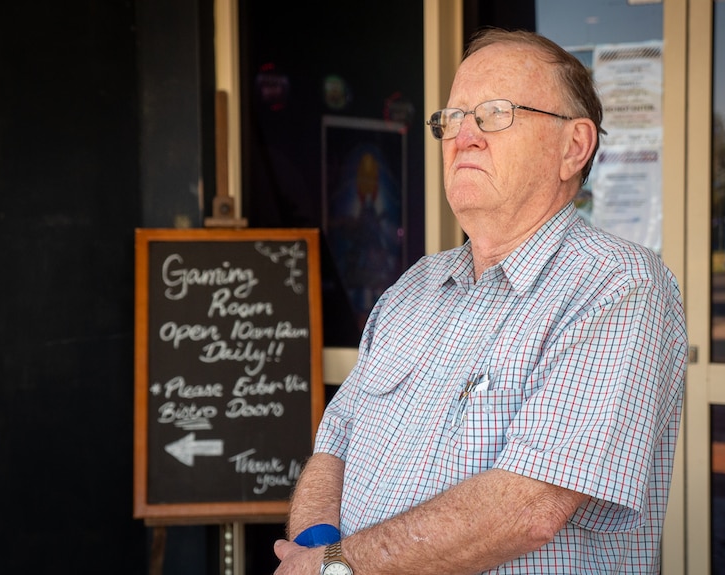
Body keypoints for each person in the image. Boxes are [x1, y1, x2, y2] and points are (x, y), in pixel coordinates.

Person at [273, 27, 687, 574]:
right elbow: (333, 447)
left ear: (573, 147)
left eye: (493, 113)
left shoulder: (617, 285)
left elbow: (527, 508)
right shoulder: (411, 291)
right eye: (451, 119)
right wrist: (322, 550)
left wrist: (331, 565)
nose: (462, 136)